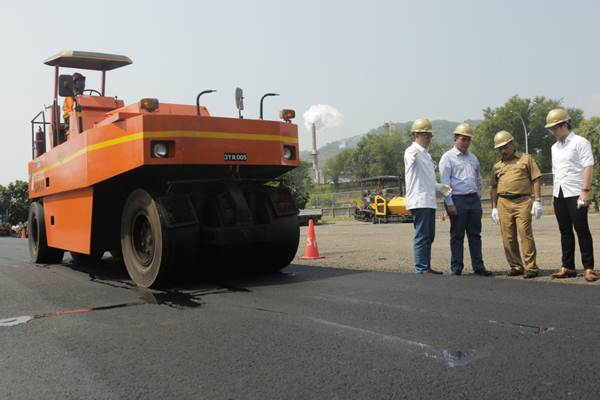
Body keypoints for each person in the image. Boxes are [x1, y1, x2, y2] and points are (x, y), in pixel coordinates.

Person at [545, 108, 598, 282]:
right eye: (551, 129)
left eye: (554, 128)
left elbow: (588, 166)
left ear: (564, 125)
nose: (552, 132)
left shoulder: (580, 142)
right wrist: (553, 195)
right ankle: (567, 266)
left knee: (581, 229)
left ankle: (589, 267)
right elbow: (555, 171)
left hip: (576, 193)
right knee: (565, 231)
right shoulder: (554, 147)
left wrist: (585, 191)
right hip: (560, 194)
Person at [439, 123, 491, 276]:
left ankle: (478, 266)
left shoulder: (473, 158)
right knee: (457, 235)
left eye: (468, 140)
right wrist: (450, 203)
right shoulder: (447, 158)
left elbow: (478, 179)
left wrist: (478, 197)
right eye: (463, 139)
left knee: (475, 234)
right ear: (455, 139)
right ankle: (456, 267)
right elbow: (445, 183)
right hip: (457, 199)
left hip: (473, 199)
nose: (466, 142)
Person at [490, 130, 542, 279]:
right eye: (499, 148)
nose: (502, 150)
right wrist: (494, 207)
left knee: (525, 233)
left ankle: (531, 267)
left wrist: (537, 201)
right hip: (503, 203)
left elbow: (536, 179)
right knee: (508, 237)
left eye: (505, 147)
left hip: (523, 201)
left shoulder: (526, 159)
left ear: (512, 144)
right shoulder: (497, 166)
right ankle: (516, 266)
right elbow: (494, 187)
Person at [404, 118, 452, 275]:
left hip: (429, 200)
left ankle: (425, 266)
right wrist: (411, 157)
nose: (429, 139)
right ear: (417, 134)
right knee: (422, 236)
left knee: (429, 236)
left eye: (430, 135)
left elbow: (428, 181)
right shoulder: (412, 151)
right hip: (419, 200)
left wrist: (440, 187)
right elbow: (409, 157)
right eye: (426, 135)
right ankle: (421, 268)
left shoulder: (426, 155)